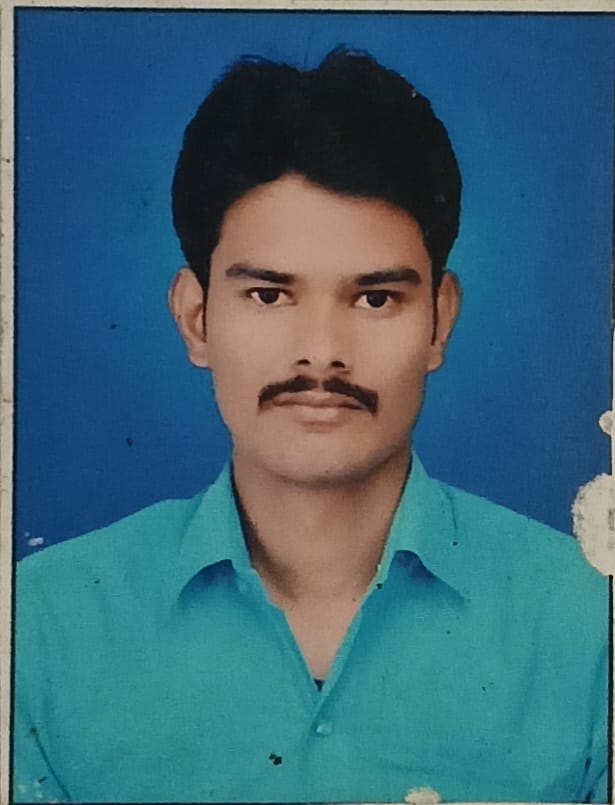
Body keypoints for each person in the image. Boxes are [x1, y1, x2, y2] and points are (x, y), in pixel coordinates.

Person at [13, 48, 608, 804]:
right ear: (195, 318)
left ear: (439, 321)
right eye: (269, 295)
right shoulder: (39, 623)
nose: (322, 353)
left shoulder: (589, 620)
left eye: (375, 299)